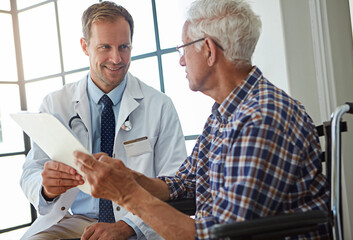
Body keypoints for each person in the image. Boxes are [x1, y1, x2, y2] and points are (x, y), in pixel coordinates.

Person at [74, 0, 331, 239]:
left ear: (208, 50)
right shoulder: (224, 113)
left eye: (184, 48)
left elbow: (227, 234)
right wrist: (128, 177)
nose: (181, 60)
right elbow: (186, 182)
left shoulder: (261, 118)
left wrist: (127, 193)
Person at [20, 1, 187, 240]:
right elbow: (31, 171)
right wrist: (46, 189)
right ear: (85, 46)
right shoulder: (55, 104)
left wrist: (128, 227)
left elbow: (174, 183)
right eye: (105, 47)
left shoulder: (160, 106)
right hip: (75, 220)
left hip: (138, 221)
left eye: (124, 47)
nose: (116, 58)